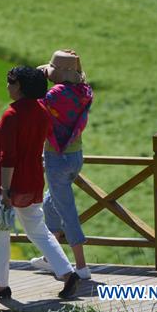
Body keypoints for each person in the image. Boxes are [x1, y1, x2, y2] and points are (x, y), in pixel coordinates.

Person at [0, 66, 80, 300]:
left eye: (11, 82)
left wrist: (4, 190)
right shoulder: (43, 111)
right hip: (33, 177)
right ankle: (66, 272)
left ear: (20, 87)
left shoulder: (11, 115)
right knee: (38, 229)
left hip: (10, 181)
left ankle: (0, 285)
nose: (7, 86)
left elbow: (8, 157)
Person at [30, 50, 94, 280]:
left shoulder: (55, 94)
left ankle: (81, 267)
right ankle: (51, 258)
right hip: (76, 155)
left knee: (67, 211)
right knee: (51, 204)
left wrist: (36, 79)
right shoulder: (82, 91)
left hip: (57, 158)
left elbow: (36, 105)